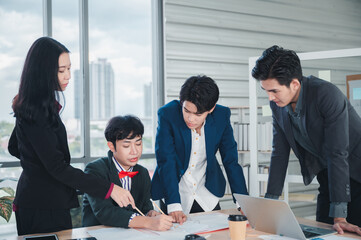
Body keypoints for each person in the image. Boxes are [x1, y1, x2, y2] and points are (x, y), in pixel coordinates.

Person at [8, 37, 135, 235]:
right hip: (42, 206)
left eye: (69, 68)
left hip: (41, 201)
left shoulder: (35, 105)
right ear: (43, 71)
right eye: (61, 70)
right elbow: (57, 167)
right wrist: (111, 189)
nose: (68, 76)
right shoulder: (37, 111)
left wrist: (39, 165)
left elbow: (14, 147)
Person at [252, 45, 361, 235]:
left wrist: (340, 216)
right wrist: (270, 202)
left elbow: (338, 153)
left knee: (348, 233)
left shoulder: (326, 94)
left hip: (356, 171)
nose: (270, 97)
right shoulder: (278, 105)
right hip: (328, 174)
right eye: (266, 91)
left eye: (274, 91)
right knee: (322, 232)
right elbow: (279, 153)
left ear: (294, 84)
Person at [151, 75, 248, 224]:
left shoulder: (221, 116)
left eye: (198, 114)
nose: (191, 119)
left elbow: (231, 161)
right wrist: (173, 204)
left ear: (211, 109)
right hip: (175, 192)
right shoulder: (167, 114)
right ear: (181, 102)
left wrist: (243, 203)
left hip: (207, 192)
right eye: (187, 111)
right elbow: (166, 161)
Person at [82, 115, 173, 230]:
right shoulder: (95, 170)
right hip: (99, 234)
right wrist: (147, 222)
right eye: (126, 145)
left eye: (138, 144)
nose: (134, 151)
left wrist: (150, 214)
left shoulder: (142, 172)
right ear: (111, 146)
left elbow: (145, 206)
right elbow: (104, 212)